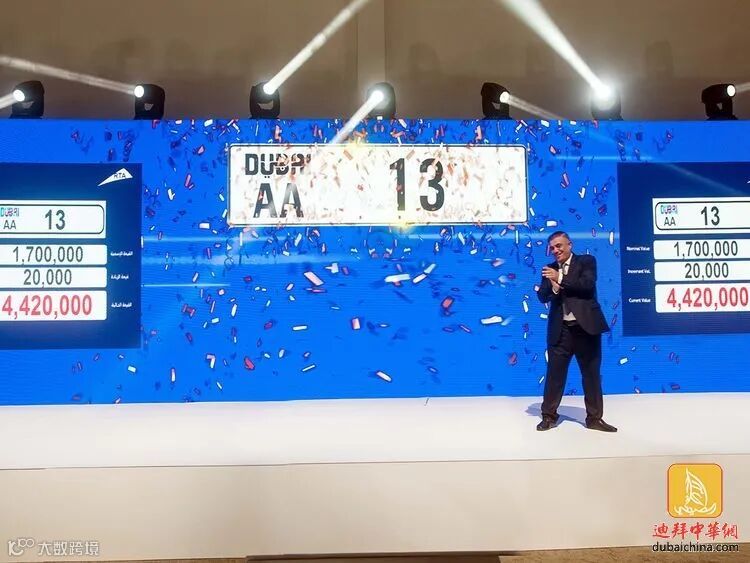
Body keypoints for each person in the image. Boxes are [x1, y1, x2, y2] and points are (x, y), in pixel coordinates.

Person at [536, 231, 617, 432]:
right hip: (560, 330)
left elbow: (586, 286)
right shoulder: (549, 269)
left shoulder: (586, 261)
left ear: (569, 245)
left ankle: (594, 419)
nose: (555, 250)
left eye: (559, 246)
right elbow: (543, 296)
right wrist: (554, 288)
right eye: (552, 248)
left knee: (591, 375)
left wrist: (560, 278)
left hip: (586, 329)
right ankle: (548, 416)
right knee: (554, 375)